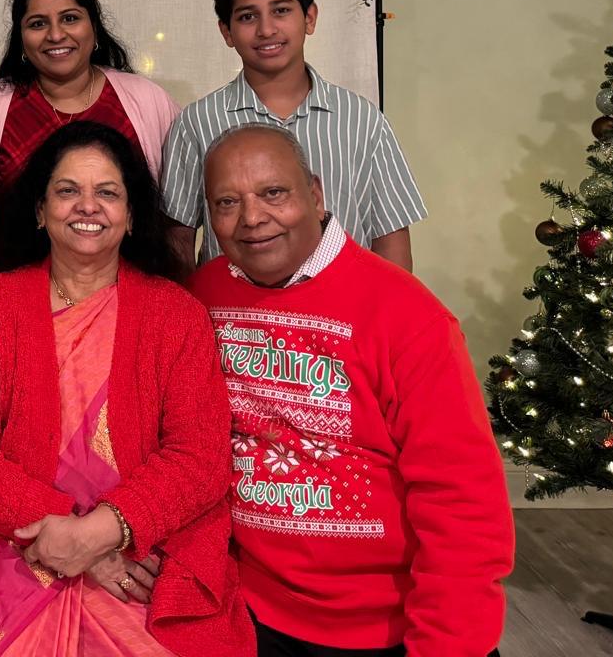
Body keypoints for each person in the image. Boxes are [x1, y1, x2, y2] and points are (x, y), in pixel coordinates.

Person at [191, 123, 511, 657]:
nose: (252, 218)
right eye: (227, 202)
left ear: (316, 195)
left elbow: (463, 505)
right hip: (247, 609)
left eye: (274, 193)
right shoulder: (203, 296)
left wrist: (445, 645)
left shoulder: (408, 317)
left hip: (389, 627)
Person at [0, 121, 251, 656]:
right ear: (40, 211)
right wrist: (62, 537)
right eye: (67, 191)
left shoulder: (176, 314)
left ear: (131, 216)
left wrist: (105, 532)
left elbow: (200, 458)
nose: (88, 206)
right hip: (21, 545)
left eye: (107, 192)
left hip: (147, 553)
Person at [160, 0, 425, 271]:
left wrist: (389, 304)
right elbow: (178, 239)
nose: (266, 29)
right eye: (247, 16)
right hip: (232, 303)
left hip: (344, 301)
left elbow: (390, 240)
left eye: (281, 10)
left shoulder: (362, 119)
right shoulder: (196, 123)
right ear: (226, 31)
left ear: (309, 18)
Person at [0, 0, 177, 275]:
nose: (56, 34)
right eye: (38, 24)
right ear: (21, 37)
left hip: (132, 295)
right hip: (19, 296)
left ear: (94, 26)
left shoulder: (148, 101)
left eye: (70, 18)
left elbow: (174, 219)